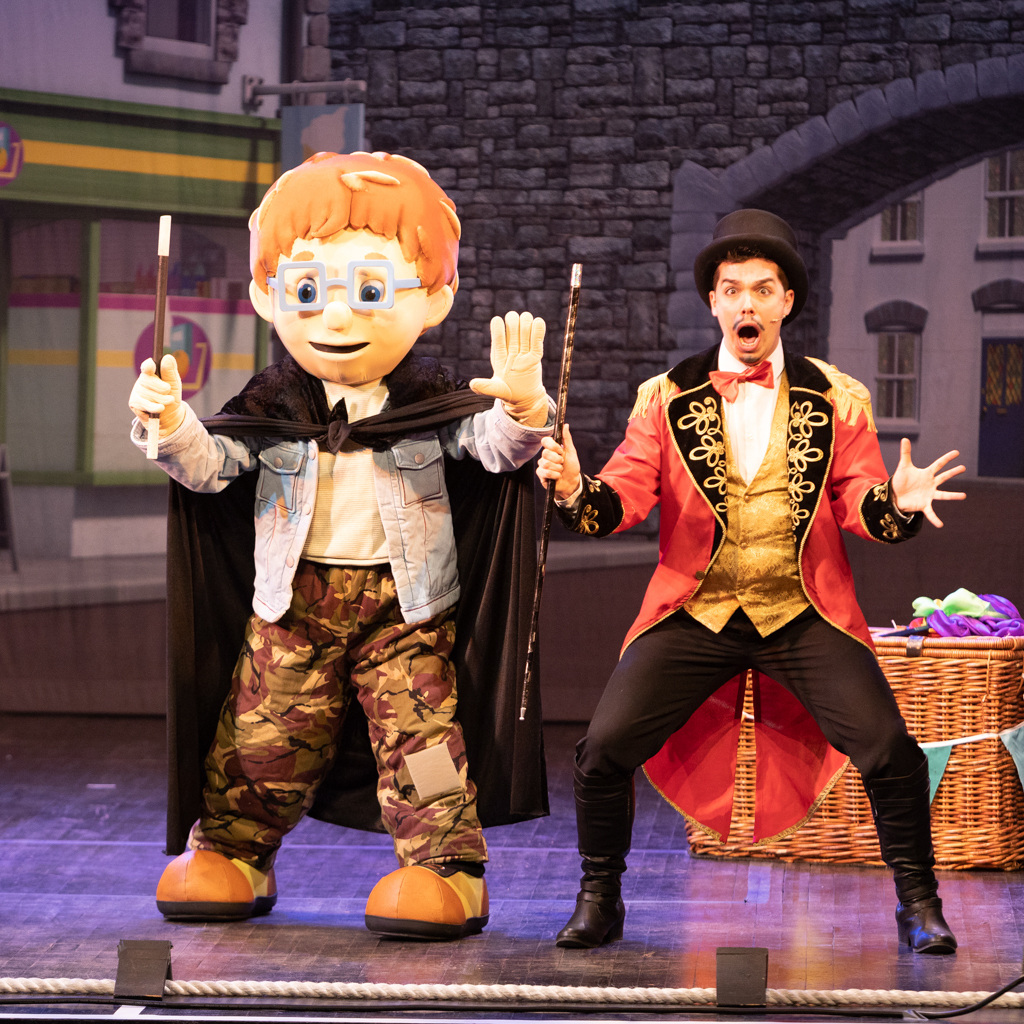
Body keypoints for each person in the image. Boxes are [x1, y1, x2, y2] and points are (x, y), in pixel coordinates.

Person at [128, 151, 552, 939]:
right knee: (262, 735)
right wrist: (171, 425)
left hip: (405, 610)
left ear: (432, 298)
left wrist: (524, 408)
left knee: (422, 742)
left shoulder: (428, 403)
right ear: (269, 295)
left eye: (369, 291)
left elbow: (496, 450)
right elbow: (211, 467)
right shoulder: (273, 405)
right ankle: (234, 851)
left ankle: (445, 867)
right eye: (308, 291)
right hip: (292, 606)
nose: (336, 317)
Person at [537, 209, 965, 954]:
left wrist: (896, 502)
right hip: (695, 609)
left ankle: (919, 904)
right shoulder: (666, 398)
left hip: (802, 610)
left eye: (762, 290)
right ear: (713, 302)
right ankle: (599, 898)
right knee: (602, 748)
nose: (747, 304)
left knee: (889, 747)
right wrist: (576, 488)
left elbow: (860, 504)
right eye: (732, 289)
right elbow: (621, 499)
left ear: (786, 302)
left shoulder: (836, 399)